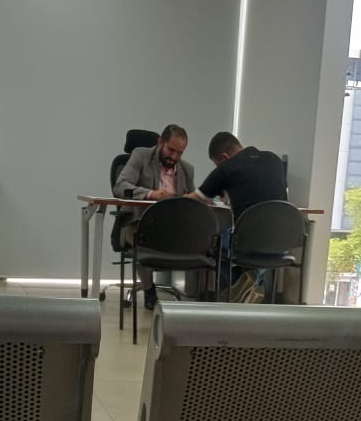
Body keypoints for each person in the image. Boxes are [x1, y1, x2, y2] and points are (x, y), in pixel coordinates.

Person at [189, 132, 287, 301]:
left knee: (213, 242)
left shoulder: (227, 168)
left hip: (248, 241)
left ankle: (242, 284)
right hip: (283, 240)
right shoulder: (274, 160)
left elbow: (196, 199)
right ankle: (250, 285)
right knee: (256, 248)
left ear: (225, 157)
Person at [113, 123, 195, 309]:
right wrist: (150, 194)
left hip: (172, 226)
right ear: (160, 142)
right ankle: (149, 291)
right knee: (144, 239)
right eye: (171, 150)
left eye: (180, 153)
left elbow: (192, 199)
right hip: (140, 224)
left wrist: (197, 198)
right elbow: (121, 186)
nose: (174, 157)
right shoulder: (140, 156)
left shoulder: (187, 170)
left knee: (204, 237)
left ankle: (208, 299)